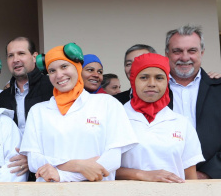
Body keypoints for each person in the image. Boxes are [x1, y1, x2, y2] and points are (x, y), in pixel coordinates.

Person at [21, 43, 137, 182]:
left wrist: (62, 175)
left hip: (97, 193)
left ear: (77, 67)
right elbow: (34, 161)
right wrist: (78, 165)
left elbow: (112, 160)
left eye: (64, 66)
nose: (59, 75)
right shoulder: (38, 111)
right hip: (51, 194)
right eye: (52, 70)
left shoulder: (107, 104)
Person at [165, 25, 221, 179]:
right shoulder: (153, 92)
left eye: (192, 51)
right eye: (177, 51)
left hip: (214, 181)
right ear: (167, 53)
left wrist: (208, 174)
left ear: (202, 53)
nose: (184, 57)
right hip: (161, 179)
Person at [117, 53, 204, 182]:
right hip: (126, 194)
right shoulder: (117, 118)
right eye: (144, 77)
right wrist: (142, 175)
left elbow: (190, 177)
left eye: (159, 78)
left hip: (174, 195)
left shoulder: (181, 123)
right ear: (133, 80)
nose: (152, 84)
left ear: (167, 81)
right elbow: (103, 168)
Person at [0, 37, 52, 135]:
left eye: (21, 53)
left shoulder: (52, 88)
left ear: (34, 57)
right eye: (10, 55)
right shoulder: (1, 99)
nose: (15, 60)